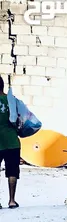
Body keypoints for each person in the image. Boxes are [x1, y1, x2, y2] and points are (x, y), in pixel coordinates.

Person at [0, 75, 20, 209]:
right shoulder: (11, 100)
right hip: (12, 141)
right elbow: (19, 120)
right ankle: (12, 200)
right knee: (12, 171)